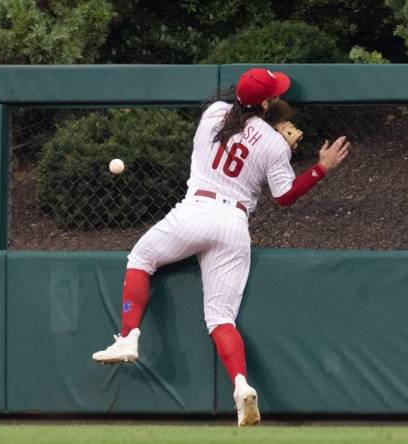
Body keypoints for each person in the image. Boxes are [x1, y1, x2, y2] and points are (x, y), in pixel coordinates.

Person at [92, 68, 352, 426]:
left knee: (141, 257)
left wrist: (269, 129)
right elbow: (284, 196)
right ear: (265, 102)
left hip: (196, 210)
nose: (278, 98)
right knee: (220, 318)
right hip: (232, 224)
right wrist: (320, 167)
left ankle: (127, 336)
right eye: (273, 94)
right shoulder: (275, 144)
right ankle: (241, 385)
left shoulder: (214, 112)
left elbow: (241, 125)